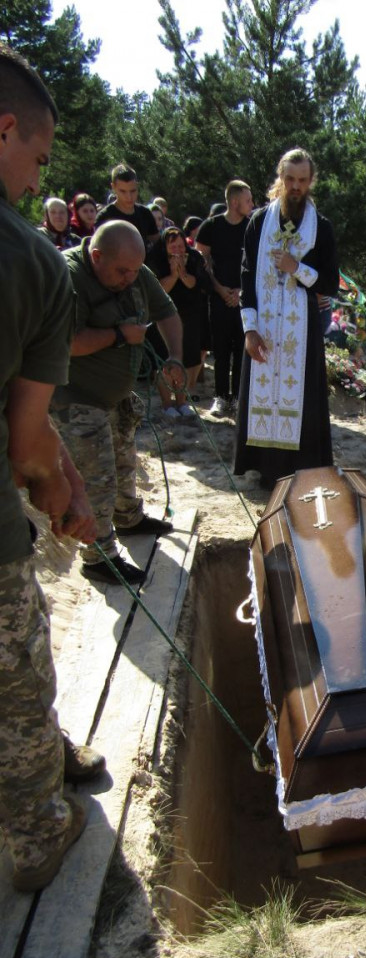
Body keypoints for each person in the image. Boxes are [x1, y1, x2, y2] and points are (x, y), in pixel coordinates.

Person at [0, 43, 104, 893]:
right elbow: (26, 439)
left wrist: (57, 475)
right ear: (6, 130)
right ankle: (37, 838)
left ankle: (51, 754)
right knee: (16, 665)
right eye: (38, 156)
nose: (41, 176)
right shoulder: (31, 259)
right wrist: (62, 496)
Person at [54, 221, 183, 585]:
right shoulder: (68, 277)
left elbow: (167, 312)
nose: (130, 277)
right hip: (74, 397)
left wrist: (174, 355)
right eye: (121, 271)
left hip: (116, 396)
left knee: (125, 459)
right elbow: (65, 341)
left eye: (134, 270)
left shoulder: (135, 272)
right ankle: (99, 557)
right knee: (97, 478)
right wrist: (118, 336)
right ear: (96, 257)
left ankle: (129, 519)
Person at [234, 147, 338, 490]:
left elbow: (330, 282)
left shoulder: (320, 228)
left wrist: (298, 269)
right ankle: (264, 469)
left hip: (301, 332)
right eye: (289, 179)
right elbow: (247, 276)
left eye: (302, 180)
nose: (295, 186)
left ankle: (301, 470)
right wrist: (249, 330)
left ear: (310, 182)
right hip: (263, 325)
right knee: (262, 393)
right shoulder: (258, 222)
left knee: (302, 399)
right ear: (280, 178)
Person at [195, 180, 254, 417]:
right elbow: (202, 262)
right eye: (248, 200)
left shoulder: (252, 228)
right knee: (220, 351)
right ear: (234, 201)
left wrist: (241, 291)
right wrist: (219, 289)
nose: (251, 204)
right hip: (218, 298)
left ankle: (239, 397)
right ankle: (220, 397)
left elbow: (256, 265)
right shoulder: (211, 226)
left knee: (241, 349)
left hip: (244, 299)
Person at [146, 226, 213, 415]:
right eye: (172, 246)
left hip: (189, 316)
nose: (178, 250)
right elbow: (158, 290)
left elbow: (197, 284)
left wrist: (182, 273)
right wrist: (173, 275)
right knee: (164, 361)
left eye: (180, 245)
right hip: (162, 317)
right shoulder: (155, 260)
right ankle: (168, 404)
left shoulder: (193, 258)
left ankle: (182, 401)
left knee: (184, 359)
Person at [95, 163, 159, 249]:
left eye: (133, 191)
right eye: (123, 191)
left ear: (137, 186)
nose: (129, 197)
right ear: (113, 187)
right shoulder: (104, 217)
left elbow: (158, 244)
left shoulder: (145, 213)